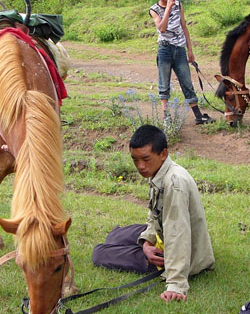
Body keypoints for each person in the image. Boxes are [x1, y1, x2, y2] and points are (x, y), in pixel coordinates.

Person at [92, 125, 215, 303]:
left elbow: (177, 232)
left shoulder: (174, 183)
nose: (140, 166)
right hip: (162, 232)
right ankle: (143, 247)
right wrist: (146, 242)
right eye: (135, 160)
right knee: (114, 236)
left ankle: (156, 260)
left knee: (100, 253)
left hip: (176, 252)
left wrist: (175, 284)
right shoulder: (159, 170)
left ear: (163, 154)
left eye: (146, 159)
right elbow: (154, 215)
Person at [149, 0, 215, 125]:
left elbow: (184, 26)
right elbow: (162, 28)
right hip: (165, 49)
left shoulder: (178, 5)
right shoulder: (154, 9)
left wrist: (190, 49)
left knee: (187, 81)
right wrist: (167, 9)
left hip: (180, 49)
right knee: (164, 84)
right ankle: (167, 118)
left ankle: (198, 116)